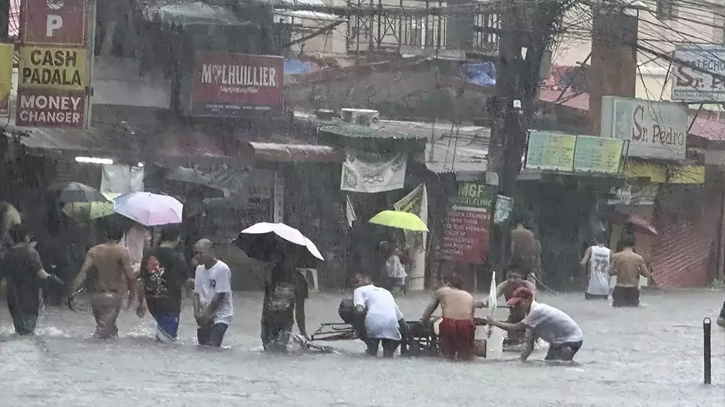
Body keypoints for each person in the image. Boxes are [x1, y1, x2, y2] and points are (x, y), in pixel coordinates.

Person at [70, 224, 135, 339]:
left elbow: (83, 273)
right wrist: (133, 296)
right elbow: (130, 275)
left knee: (106, 329)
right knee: (105, 332)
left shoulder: (94, 251)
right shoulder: (122, 251)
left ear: (105, 235)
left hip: (97, 296)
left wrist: (71, 292)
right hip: (114, 296)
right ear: (121, 236)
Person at [488, 287, 583, 362]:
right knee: (550, 363)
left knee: (562, 365)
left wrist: (494, 322)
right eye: (515, 304)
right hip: (558, 341)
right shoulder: (530, 317)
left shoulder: (537, 311)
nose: (517, 307)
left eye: (519, 302)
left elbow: (515, 328)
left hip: (571, 340)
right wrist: (520, 361)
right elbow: (529, 345)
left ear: (529, 300)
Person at [136, 226, 191, 343]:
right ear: (177, 238)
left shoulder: (149, 254)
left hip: (152, 301)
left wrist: (140, 302)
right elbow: (186, 281)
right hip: (169, 304)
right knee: (167, 343)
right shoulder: (178, 257)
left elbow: (142, 279)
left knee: (162, 336)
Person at [0, 225, 55, 335]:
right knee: (29, 331)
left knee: (19, 330)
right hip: (30, 295)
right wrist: (52, 277)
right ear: (26, 237)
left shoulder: (4, 254)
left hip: (13, 296)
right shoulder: (31, 252)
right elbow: (41, 273)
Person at [420, 272, 476, 361]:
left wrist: (423, 320)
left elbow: (430, 309)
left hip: (449, 324)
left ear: (446, 282)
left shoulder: (442, 291)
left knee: (447, 356)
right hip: (467, 324)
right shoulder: (469, 296)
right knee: (465, 357)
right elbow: (472, 317)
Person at [261, 253, 309, 352]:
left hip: (285, 322)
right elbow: (266, 296)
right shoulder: (272, 274)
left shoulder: (300, 281)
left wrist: (303, 332)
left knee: (279, 351)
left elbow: (300, 309)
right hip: (268, 320)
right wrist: (268, 269)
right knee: (267, 351)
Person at [476, 267, 536, 345]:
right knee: (513, 343)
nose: (511, 280)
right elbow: (492, 297)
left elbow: (533, 301)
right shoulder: (504, 286)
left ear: (521, 278)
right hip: (513, 316)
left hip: (528, 317)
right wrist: (481, 302)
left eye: (515, 277)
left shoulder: (529, 286)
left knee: (529, 342)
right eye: (509, 277)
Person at [353, 274, 406, 358]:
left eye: (356, 282)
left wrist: (359, 330)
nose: (355, 285)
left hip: (373, 323)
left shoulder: (359, 290)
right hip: (391, 324)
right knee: (388, 356)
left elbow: (359, 311)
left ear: (367, 280)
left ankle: (371, 349)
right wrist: (410, 340)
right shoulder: (386, 292)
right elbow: (401, 320)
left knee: (371, 354)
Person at [192, 239, 233, 347]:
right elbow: (196, 293)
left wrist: (207, 314)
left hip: (221, 315)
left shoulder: (222, 269)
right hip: (204, 312)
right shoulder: (199, 269)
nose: (197, 256)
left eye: (200, 253)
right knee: (202, 346)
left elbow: (220, 295)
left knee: (213, 346)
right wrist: (197, 313)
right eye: (195, 253)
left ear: (211, 251)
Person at [610, 234, 650, 307]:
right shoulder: (638, 258)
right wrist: (637, 271)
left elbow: (610, 272)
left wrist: (618, 271)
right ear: (634, 244)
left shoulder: (616, 257)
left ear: (622, 244)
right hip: (632, 289)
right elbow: (646, 274)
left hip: (620, 288)